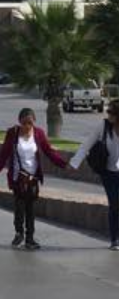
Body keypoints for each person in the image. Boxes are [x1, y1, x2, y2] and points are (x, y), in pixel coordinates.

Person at [0, 108, 68, 250]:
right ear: (19, 122)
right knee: (19, 207)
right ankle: (19, 232)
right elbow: (4, 155)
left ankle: (30, 238)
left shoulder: (39, 133)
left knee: (30, 208)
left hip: (33, 177)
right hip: (17, 177)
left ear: (34, 122)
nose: (27, 126)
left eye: (30, 123)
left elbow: (49, 151)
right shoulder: (13, 133)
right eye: (24, 123)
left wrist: (63, 164)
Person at [69, 99, 119, 251]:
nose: (108, 114)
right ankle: (115, 239)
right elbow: (86, 144)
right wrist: (74, 163)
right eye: (108, 111)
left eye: (111, 112)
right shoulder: (103, 126)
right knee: (115, 204)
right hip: (108, 173)